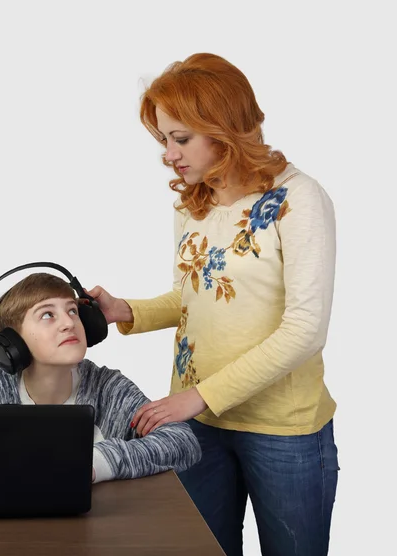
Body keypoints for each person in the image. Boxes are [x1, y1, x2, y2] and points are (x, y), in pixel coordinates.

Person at [87, 53, 339, 555]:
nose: (167, 154)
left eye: (180, 138)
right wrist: (125, 310)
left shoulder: (299, 198)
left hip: (280, 428)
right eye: (163, 140)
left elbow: (305, 329)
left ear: (225, 129)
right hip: (195, 423)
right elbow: (192, 295)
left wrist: (200, 396)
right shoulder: (192, 202)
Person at [0, 271, 201, 484]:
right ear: (12, 343)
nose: (68, 323)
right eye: (47, 315)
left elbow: (182, 442)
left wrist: (95, 462)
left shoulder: (107, 387)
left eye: (73, 311)